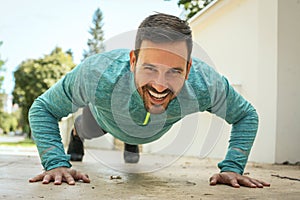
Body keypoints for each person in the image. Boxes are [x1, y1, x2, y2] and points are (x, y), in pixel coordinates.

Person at [28, 13, 270, 188]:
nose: (160, 84)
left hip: (150, 128)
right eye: (150, 68)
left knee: (139, 130)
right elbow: (43, 108)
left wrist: (232, 167)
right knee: (88, 127)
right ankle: (77, 135)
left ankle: (132, 141)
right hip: (104, 119)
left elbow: (246, 115)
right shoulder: (97, 74)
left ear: (188, 68)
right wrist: (55, 162)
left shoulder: (205, 84)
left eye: (174, 71)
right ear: (133, 61)